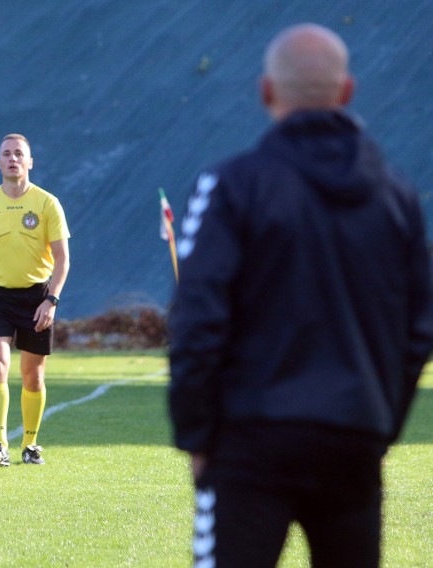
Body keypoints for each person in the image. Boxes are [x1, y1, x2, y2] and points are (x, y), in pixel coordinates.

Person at [167, 23, 433, 567]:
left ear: (267, 91)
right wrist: (378, 425)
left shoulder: (234, 185)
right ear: (347, 91)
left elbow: (197, 319)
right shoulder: (398, 198)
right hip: (354, 439)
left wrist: (196, 435)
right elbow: (418, 330)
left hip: (249, 440)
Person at [0, 134, 70, 467]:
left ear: (29, 162)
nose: (12, 159)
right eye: (6, 154)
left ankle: (31, 444)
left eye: (18, 154)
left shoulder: (46, 203)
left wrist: (51, 300)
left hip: (36, 297)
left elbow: (63, 259)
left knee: (33, 375)